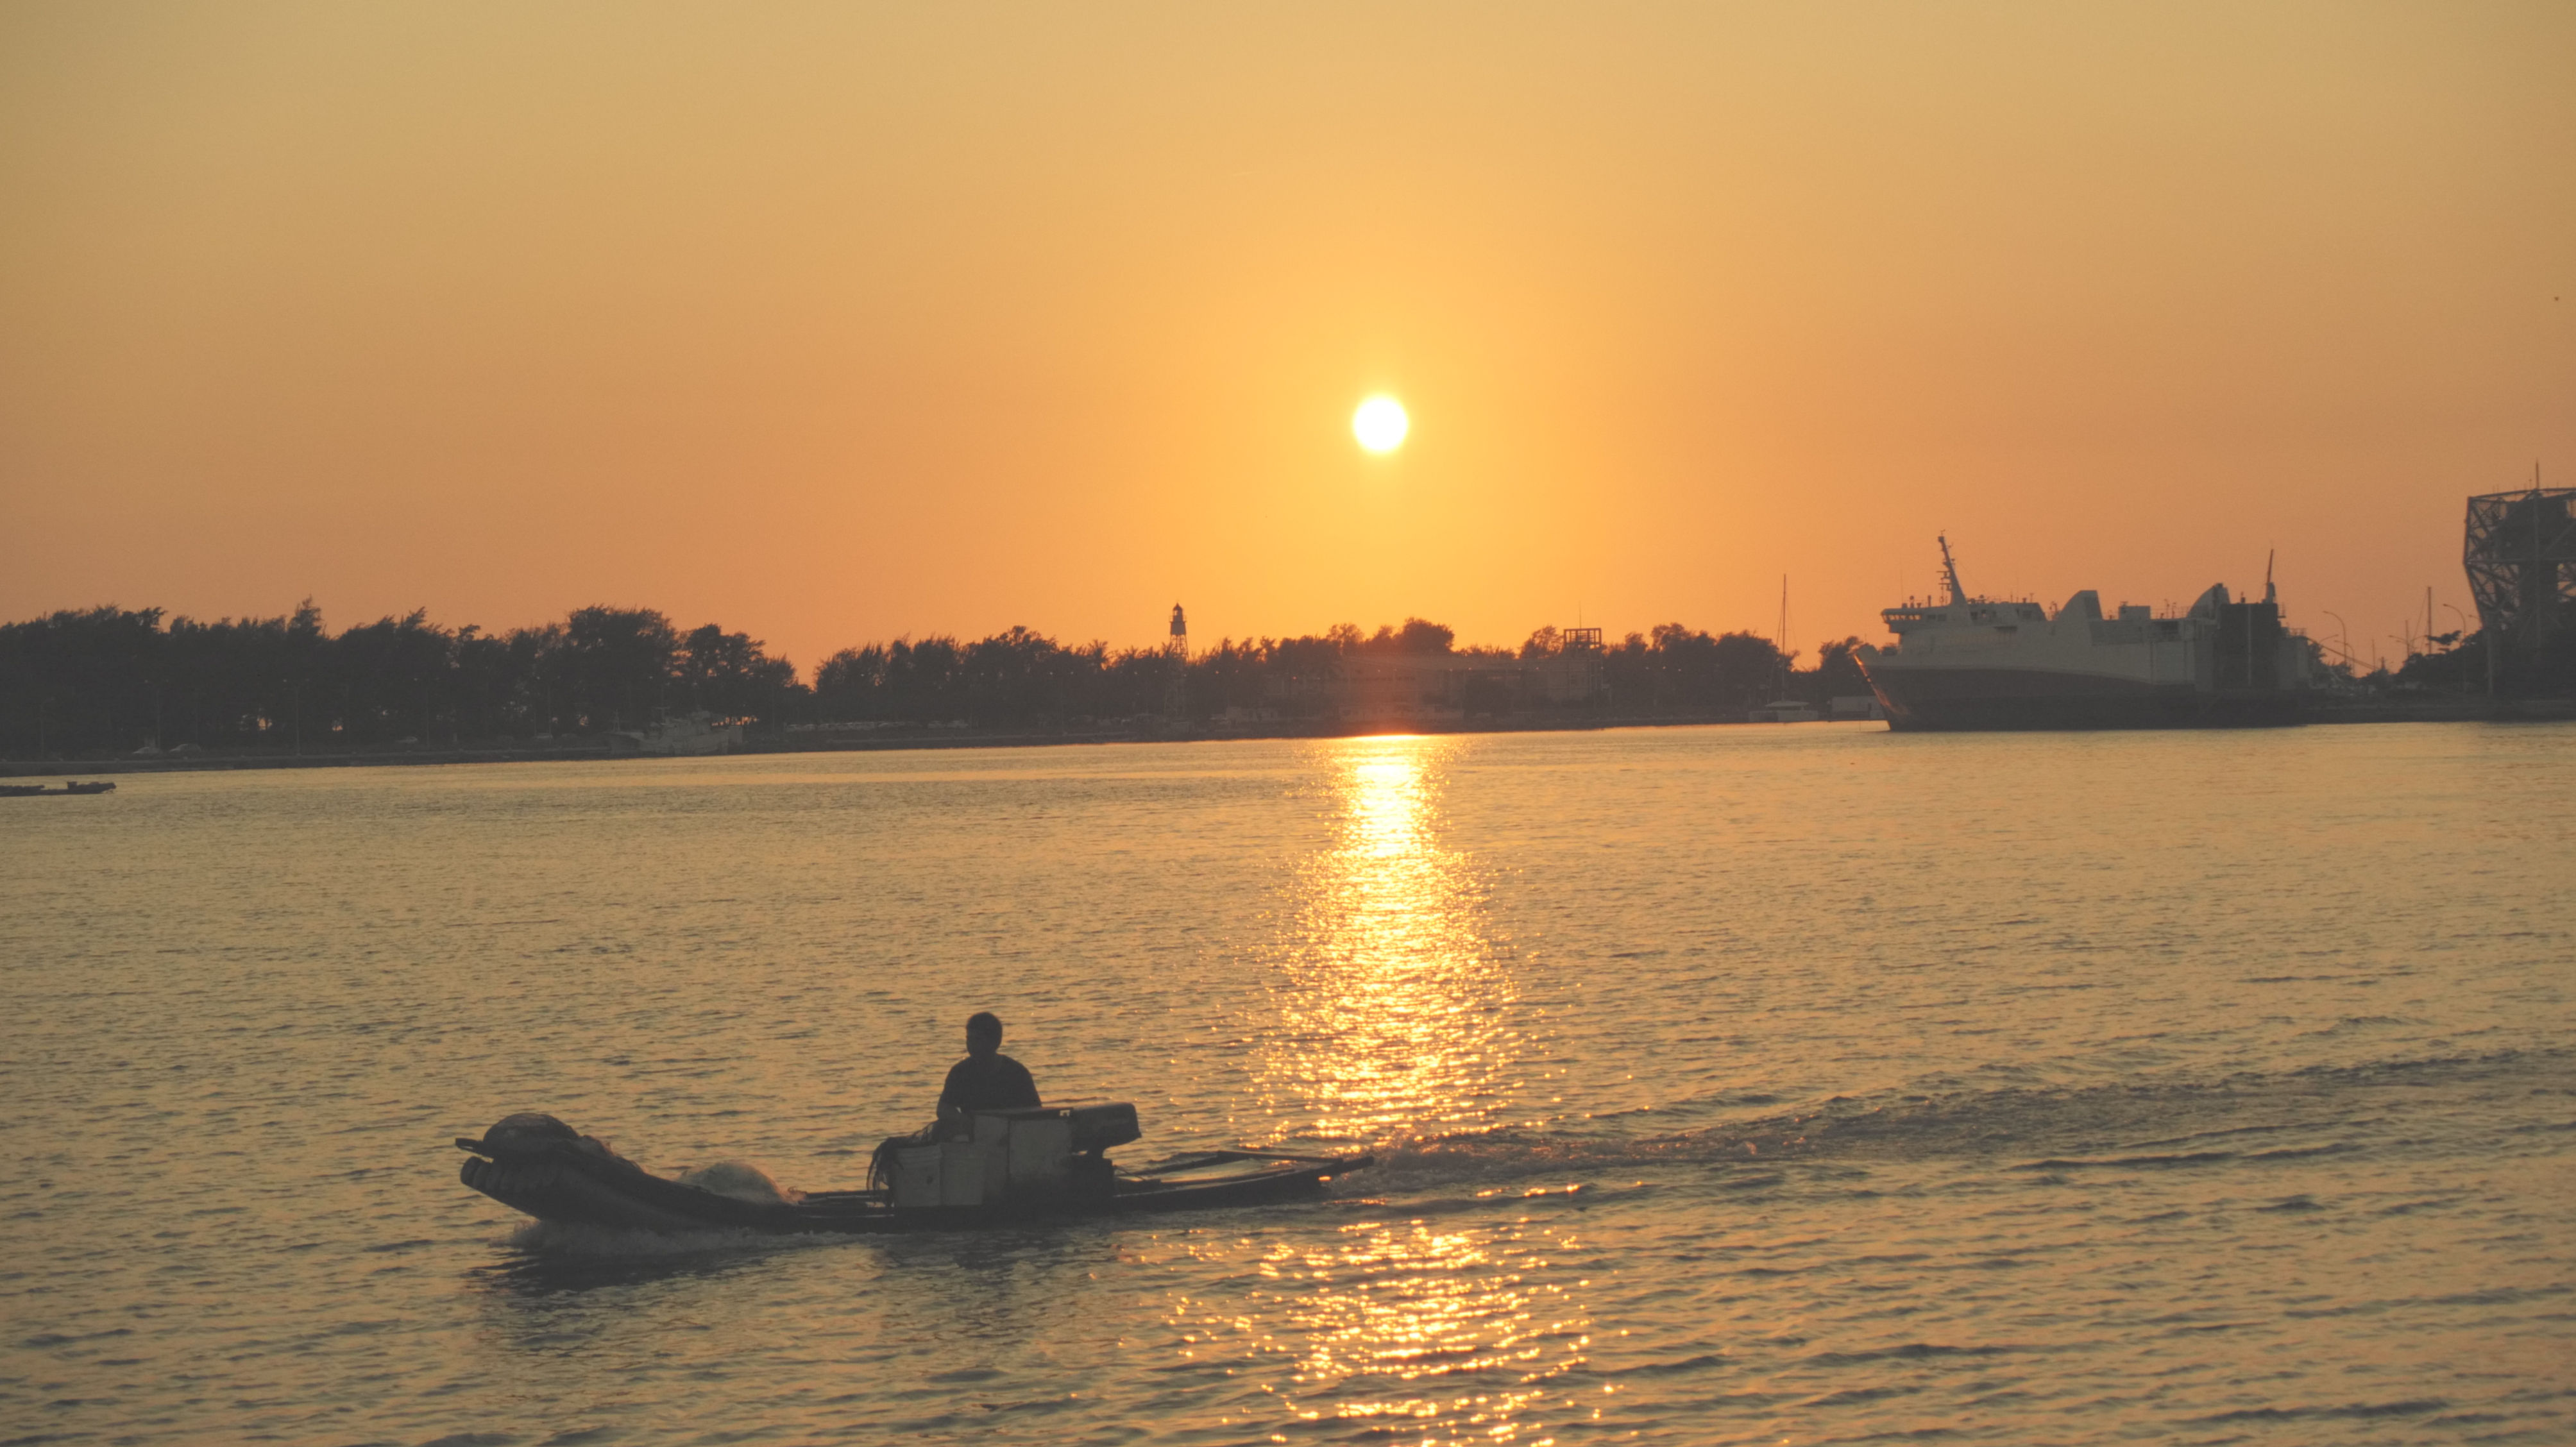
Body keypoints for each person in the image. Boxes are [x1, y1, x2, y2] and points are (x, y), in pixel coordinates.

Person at [936, 1011, 1038, 1131]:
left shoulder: (1016, 1073)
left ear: (995, 1042)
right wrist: (965, 1122)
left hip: (1013, 1133)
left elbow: (1036, 1112)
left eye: (978, 1040)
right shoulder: (960, 1072)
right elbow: (944, 1108)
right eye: (969, 1039)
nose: (971, 1045)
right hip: (975, 1135)